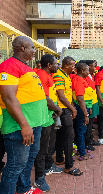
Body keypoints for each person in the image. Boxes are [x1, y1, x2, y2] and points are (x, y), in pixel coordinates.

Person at [0, 36, 48, 194]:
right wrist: (24, 125)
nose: (34, 51)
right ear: (22, 48)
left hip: (34, 124)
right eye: (32, 48)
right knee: (15, 165)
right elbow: (8, 97)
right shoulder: (9, 66)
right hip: (19, 126)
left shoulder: (26, 67)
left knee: (28, 161)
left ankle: (24, 188)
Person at [34, 54, 63, 192]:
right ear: (49, 65)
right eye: (56, 64)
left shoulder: (48, 75)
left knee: (49, 145)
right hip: (44, 117)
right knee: (41, 148)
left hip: (50, 116)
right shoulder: (41, 75)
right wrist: (58, 109)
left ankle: (48, 166)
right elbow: (46, 98)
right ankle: (39, 178)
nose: (58, 66)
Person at [53, 56, 83, 176]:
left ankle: (60, 159)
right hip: (62, 110)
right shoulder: (59, 75)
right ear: (66, 65)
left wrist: (71, 107)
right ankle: (69, 166)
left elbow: (68, 94)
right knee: (68, 137)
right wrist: (72, 109)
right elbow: (61, 96)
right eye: (72, 65)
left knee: (60, 136)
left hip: (65, 109)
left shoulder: (66, 76)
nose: (74, 67)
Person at [72, 63, 94, 160]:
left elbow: (86, 97)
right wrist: (85, 114)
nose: (88, 72)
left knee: (82, 130)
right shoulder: (78, 80)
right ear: (82, 71)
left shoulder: (82, 80)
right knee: (81, 130)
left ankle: (80, 149)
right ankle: (82, 153)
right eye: (87, 70)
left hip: (84, 108)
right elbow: (80, 99)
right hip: (80, 109)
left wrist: (88, 108)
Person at [82, 60, 100, 150]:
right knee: (88, 124)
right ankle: (87, 142)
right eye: (93, 66)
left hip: (94, 102)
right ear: (88, 66)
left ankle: (90, 139)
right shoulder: (85, 78)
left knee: (91, 123)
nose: (95, 68)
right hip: (89, 103)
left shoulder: (92, 76)